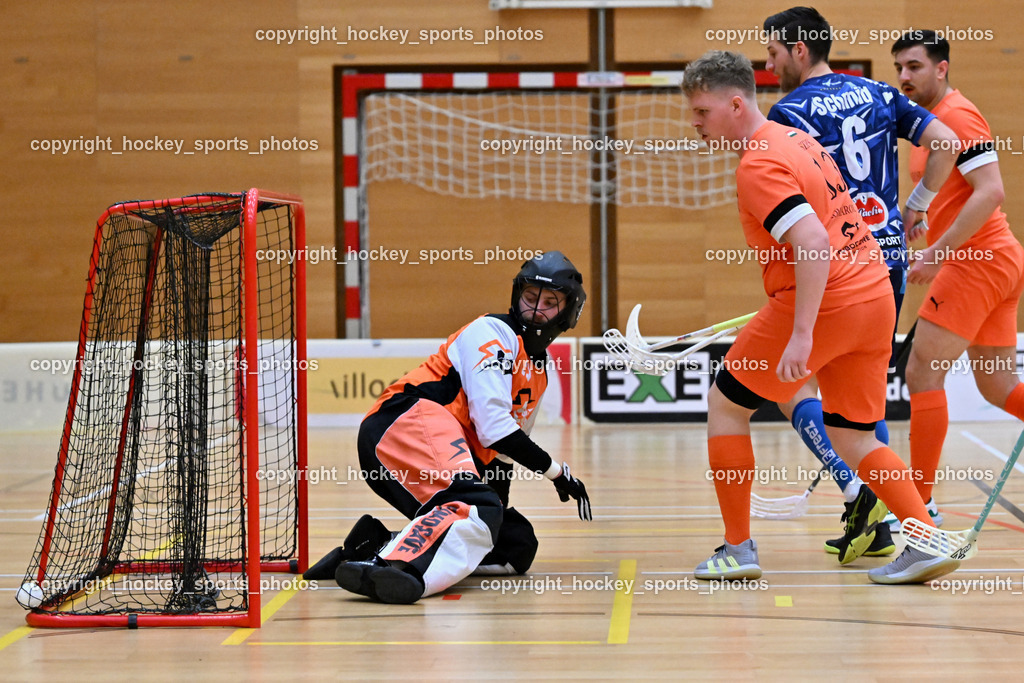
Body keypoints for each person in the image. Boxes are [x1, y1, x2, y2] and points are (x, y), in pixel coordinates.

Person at [681, 49, 959, 584]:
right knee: (855, 436)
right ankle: (927, 537)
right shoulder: (798, 140)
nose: (695, 125)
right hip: (875, 294)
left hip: (825, 301)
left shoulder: (758, 162)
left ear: (736, 104)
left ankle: (738, 548)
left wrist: (801, 334)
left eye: (701, 112)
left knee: (726, 404)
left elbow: (810, 241)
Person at [761, 6, 959, 556]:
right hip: (887, 266)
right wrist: (916, 206)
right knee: (858, 408)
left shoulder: (787, 112)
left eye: (774, 54)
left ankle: (864, 496)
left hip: (837, 266)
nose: (771, 65)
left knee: (788, 386)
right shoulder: (877, 90)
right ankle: (875, 515)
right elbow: (945, 142)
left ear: (800, 50)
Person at [302, 251, 592, 604]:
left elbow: (500, 454)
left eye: (549, 303)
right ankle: (399, 568)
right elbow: (494, 429)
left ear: (569, 312)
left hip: (440, 447)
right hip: (402, 423)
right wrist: (557, 473)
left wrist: (494, 514)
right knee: (475, 509)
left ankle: (374, 544)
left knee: (516, 546)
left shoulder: (539, 371)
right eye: (530, 297)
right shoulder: (493, 333)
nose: (535, 309)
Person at [891, 31, 1024, 525]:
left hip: (977, 261)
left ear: (941, 68)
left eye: (915, 66)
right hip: (996, 260)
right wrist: (922, 214)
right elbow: (955, 189)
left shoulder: (958, 116)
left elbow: (991, 191)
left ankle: (918, 507)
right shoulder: (931, 124)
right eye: (900, 68)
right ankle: (920, 502)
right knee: (996, 387)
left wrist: (936, 255)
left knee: (923, 373)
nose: (904, 77)